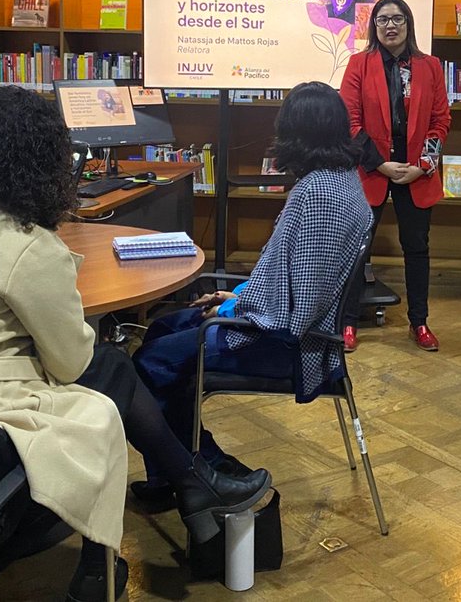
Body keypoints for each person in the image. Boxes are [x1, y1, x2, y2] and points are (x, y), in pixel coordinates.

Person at [0, 86, 271, 602]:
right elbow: (70, 362)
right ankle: (180, 493)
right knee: (106, 371)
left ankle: (183, 489)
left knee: (109, 369)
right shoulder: (22, 243)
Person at [132, 82, 372, 490]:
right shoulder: (343, 180)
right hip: (280, 326)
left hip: (287, 346)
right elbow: (292, 277)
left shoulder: (316, 194)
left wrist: (231, 312)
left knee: (149, 363)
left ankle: (199, 473)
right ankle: (173, 475)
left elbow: (298, 311)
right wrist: (239, 295)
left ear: (298, 133)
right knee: (162, 331)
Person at [338, 0, 450, 352]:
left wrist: (423, 166)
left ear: (408, 24)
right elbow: (349, 122)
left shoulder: (430, 66)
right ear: (374, 26)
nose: (390, 25)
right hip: (372, 170)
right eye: (383, 19)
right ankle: (347, 322)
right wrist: (380, 164)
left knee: (417, 248)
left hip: (416, 172)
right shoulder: (359, 64)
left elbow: (440, 121)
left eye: (397, 19)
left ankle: (420, 322)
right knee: (358, 249)